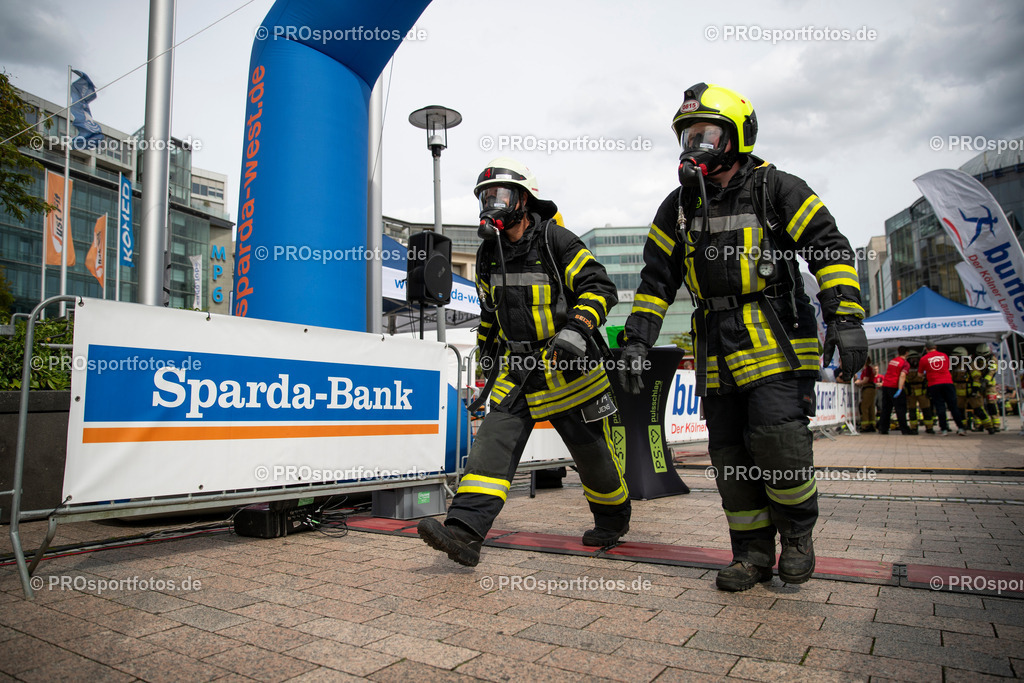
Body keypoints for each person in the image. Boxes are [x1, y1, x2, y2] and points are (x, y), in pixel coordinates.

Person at [619, 83, 867, 591]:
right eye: (687, 136)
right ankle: (751, 554)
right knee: (730, 458)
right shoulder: (679, 206)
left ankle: (797, 536)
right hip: (715, 347)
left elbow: (829, 247)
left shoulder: (777, 188)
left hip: (775, 341)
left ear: (736, 136)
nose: (693, 146)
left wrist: (846, 317)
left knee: (777, 442)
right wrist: (636, 340)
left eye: (705, 134)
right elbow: (655, 282)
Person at [418, 157, 630, 567]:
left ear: (523, 200)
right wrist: (485, 358)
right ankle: (464, 532)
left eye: (498, 195)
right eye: (485, 196)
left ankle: (613, 518)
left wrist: (578, 328)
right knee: (490, 447)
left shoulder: (557, 241)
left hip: (569, 371)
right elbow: (490, 315)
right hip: (518, 373)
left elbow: (600, 287)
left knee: (593, 457)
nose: (490, 204)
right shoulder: (486, 255)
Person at [919, 342, 966, 436]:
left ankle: (944, 429)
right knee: (953, 407)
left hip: (934, 384)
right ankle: (961, 428)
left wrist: (927, 374)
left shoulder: (924, 359)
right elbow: (948, 368)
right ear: (935, 347)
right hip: (948, 382)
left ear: (926, 349)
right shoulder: (944, 356)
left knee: (940, 407)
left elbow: (919, 374)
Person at [878, 347, 914, 435]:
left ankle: (883, 428)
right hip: (895, 386)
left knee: (886, 408)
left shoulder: (892, 361)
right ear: (907, 353)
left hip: (886, 386)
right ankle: (905, 429)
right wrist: (900, 389)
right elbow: (902, 375)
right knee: (900, 409)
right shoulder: (905, 363)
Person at [904, 356, 935, 434]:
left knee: (926, 410)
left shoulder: (923, 367)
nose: (914, 360)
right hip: (911, 392)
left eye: (915, 359)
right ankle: (913, 428)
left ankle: (929, 427)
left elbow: (928, 378)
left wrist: (928, 390)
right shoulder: (906, 367)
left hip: (922, 391)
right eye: (912, 359)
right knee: (912, 411)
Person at [855, 358, 877, 432]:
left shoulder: (867, 369)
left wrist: (858, 382)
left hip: (868, 388)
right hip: (869, 388)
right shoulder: (867, 369)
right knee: (870, 407)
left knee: (864, 406)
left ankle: (865, 425)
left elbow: (865, 380)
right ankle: (872, 424)